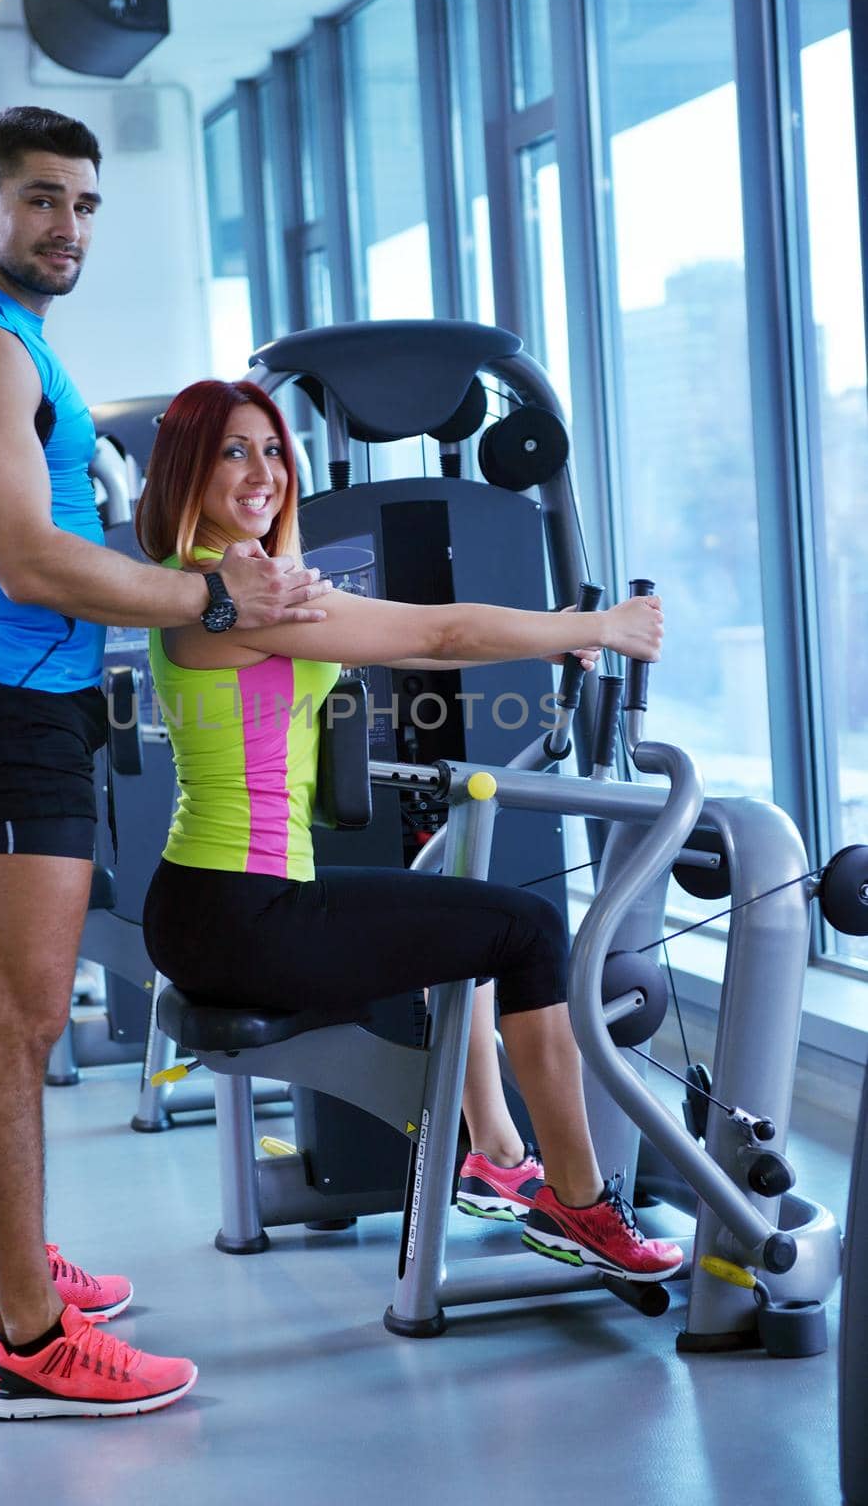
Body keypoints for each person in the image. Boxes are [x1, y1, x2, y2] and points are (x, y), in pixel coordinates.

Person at [0, 107, 330, 1422]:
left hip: (25, 702)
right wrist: (216, 605)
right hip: (1, 706)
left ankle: (0, 1271)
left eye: (82, 203)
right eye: (38, 200)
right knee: (22, 1022)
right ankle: (30, 1340)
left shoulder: (11, 342)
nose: (65, 225)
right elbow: (26, 561)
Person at [138, 377, 684, 1285]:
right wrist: (598, 625)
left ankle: (497, 1154)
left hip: (212, 901)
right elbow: (438, 635)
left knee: (454, 919)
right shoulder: (243, 596)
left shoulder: (197, 585)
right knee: (528, 928)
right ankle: (582, 1206)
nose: (262, 472)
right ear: (186, 469)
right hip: (242, 911)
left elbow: (404, 643)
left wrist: (550, 642)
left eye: (273, 450)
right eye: (234, 451)